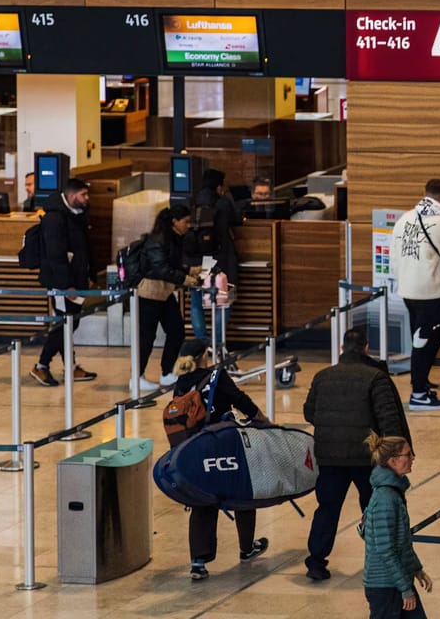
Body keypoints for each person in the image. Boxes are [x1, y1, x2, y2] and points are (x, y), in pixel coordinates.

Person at [304, 326, 411, 581]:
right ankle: (382, 559)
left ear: (342, 348)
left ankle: (316, 562)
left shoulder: (322, 376)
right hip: (367, 459)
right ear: (366, 348)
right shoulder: (375, 377)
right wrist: (396, 455)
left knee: (327, 509)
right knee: (375, 508)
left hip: (330, 457)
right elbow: (389, 420)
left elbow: (309, 413)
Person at [165, 338, 268, 581]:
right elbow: (240, 399)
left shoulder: (181, 383)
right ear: (203, 357)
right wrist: (264, 420)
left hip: (193, 449)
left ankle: (198, 562)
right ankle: (246, 547)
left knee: (203, 501)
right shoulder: (215, 376)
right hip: (222, 443)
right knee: (243, 489)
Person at [392, 179, 440, 410]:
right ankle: (419, 394)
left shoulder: (405, 219)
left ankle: (420, 383)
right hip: (431, 291)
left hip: (408, 290)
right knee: (424, 343)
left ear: (425, 193)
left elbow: (394, 258)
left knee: (418, 340)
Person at [31, 177, 95, 387]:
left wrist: (90, 275)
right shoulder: (55, 218)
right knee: (63, 323)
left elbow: (84, 247)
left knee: (70, 322)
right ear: (71, 195)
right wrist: (66, 285)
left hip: (77, 279)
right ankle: (41, 365)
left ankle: (71, 366)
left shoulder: (78, 214)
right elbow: (56, 255)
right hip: (61, 283)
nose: (87, 198)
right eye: (83, 195)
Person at [362, 433, 431, 619]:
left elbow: (402, 543)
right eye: (408, 455)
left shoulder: (393, 492)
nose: (412, 458)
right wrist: (405, 588)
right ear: (393, 461)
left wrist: (415, 568)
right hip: (386, 587)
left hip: (396, 581)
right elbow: (386, 549)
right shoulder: (385, 499)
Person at [131, 203, 193, 391]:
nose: (188, 225)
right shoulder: (159, 239)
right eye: (186, 221)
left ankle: (167, 373)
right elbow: (161, 268)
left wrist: (188, 271)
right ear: (174, 221)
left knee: (176, 331)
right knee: (146, 337)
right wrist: (185, 278)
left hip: (164, 292)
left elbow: (171, 264)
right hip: (149, 293)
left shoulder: (173, 238)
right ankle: (136, 377)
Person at [189, 168, 241, 344]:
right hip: (220, 259)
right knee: (222, 302)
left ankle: (201, 341)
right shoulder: (222, 203)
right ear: (219, 186)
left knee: (196, 301)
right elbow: (237, 219)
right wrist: (228, 196)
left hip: (196, 260)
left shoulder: (193, 201)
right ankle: (216, 343)